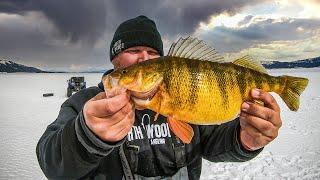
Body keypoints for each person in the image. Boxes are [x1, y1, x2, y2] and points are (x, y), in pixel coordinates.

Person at [36, 15, 282, 180]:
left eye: (153, 52)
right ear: (116, 60)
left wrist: (246, 140)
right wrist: (86, 135)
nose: (144, 58)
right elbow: (51, 161)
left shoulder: (182, 98)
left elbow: (216, 144)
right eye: (133, 51)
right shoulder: (86, 103)